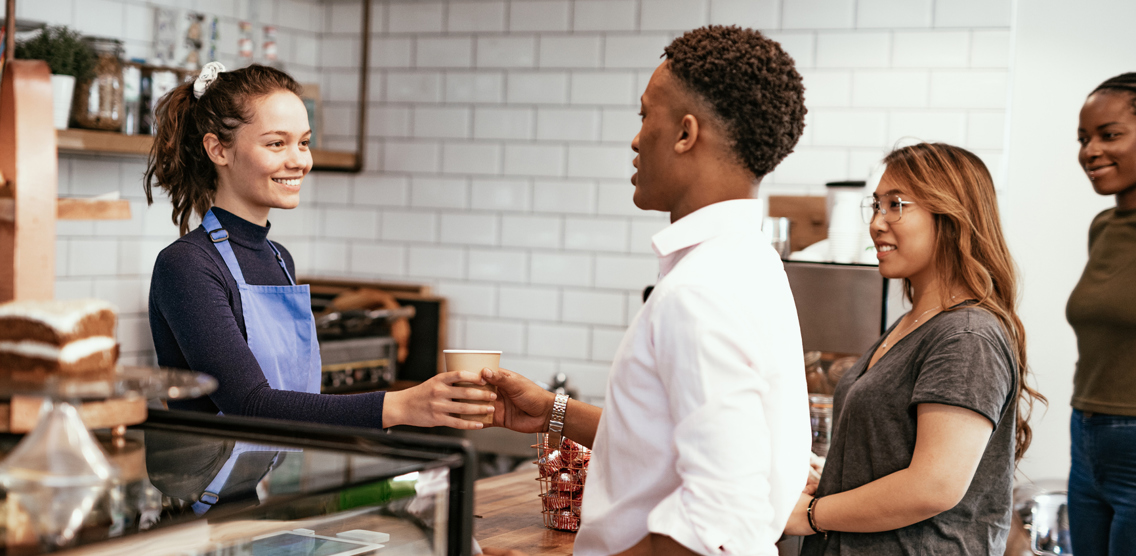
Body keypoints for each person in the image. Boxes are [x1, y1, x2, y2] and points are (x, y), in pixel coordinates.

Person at [481, 25, 811, 556]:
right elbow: (670, 438)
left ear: (685, 134)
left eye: (644, 116)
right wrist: (553, 413)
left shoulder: (700, 291)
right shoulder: (751, 262)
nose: (636, 139)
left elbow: (715, 523)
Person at [143, 62, 493, 430]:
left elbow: (298, 398)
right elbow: (248, 404)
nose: (299, 161)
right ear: (218, 150)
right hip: (210, 484)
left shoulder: (280, 260)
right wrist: (402, 406)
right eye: (277, 143)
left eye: (304, 142)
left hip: (277, 476)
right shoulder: (187, 265)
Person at [776, 143, 1045, 555]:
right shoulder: (911, 325)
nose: (876, 223)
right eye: (876, 205)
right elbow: (899, 456)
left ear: (952, 215)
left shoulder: (966, 336)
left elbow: (933, 486)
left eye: (896, 204)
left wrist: (812, 513)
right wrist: (834, 473)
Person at [1068, 72, 1136, 554]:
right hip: (1086, 431)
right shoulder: (1104, 227)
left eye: (1110, 135)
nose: (1091, 151)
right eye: (1084, 139)